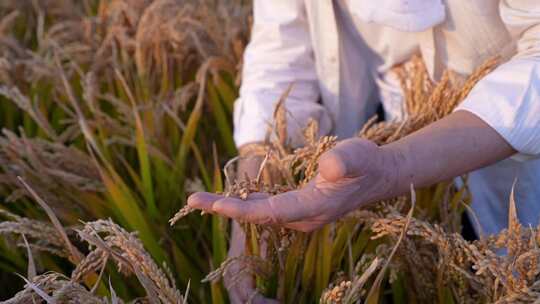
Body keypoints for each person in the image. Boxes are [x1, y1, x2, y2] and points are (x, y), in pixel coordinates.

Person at [189, 1, 540, 302]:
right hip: (370, 143)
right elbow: (280, 53)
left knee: (507, 268)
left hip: (503, 151)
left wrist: (394, 167)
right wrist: (252, 198)